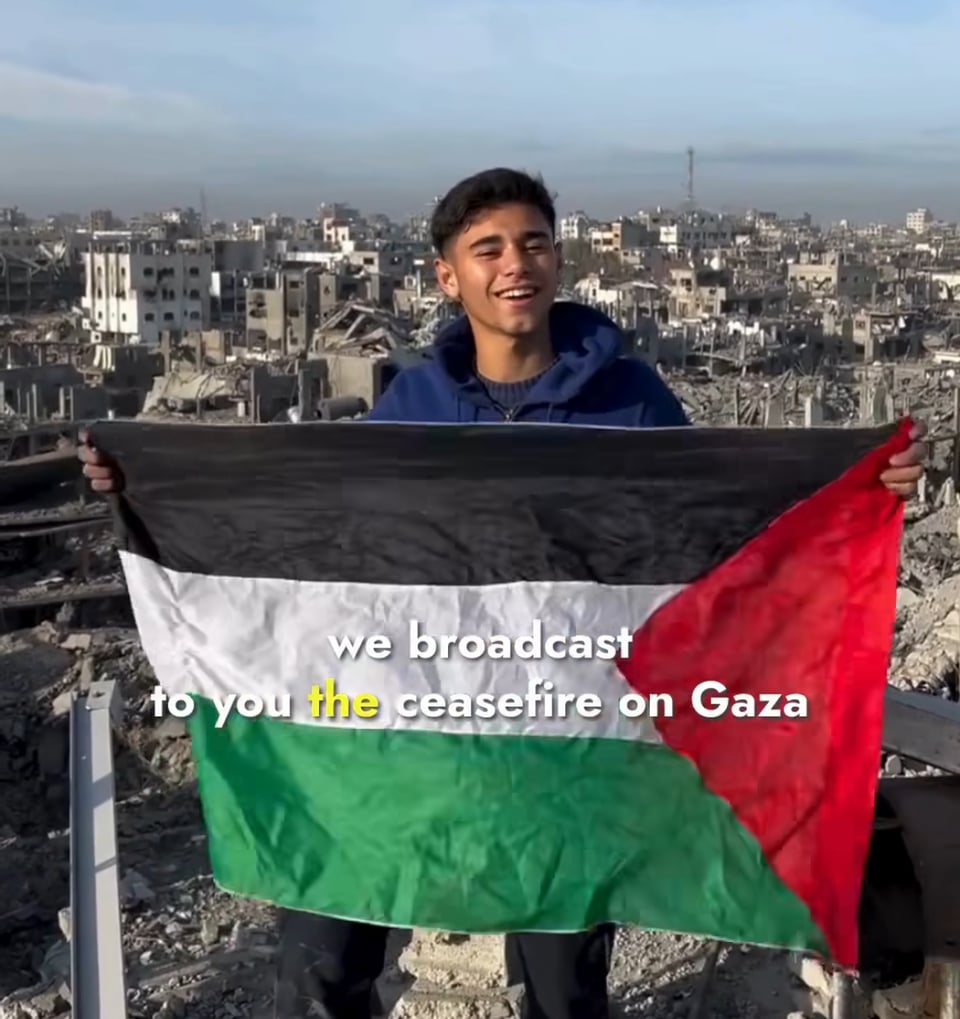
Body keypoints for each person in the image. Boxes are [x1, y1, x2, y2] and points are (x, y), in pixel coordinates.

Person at [78, 167, 927, 1018]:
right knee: (322, 960)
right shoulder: (412, 408)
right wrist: (143, 482)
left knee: (563, 988)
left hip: (564, 750)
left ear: (559, 260)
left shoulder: (633, 407)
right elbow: (320, 537)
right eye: (488, 249)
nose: (515, 264)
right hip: (410, 739)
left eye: (534, 243)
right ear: (448, 276)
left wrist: (859, 486)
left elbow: (725, 530)